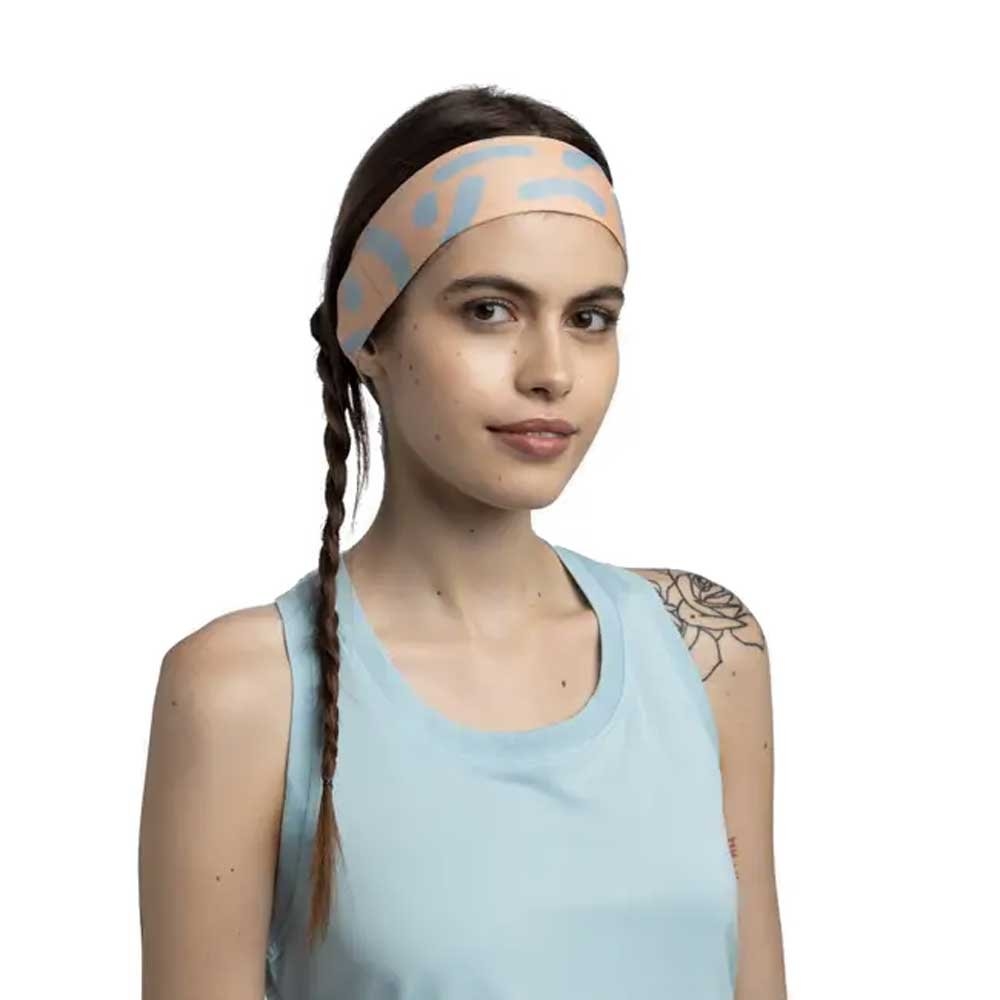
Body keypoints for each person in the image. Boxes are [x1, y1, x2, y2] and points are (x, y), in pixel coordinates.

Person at [138, 83, 786, 1000]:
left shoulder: (707, 647)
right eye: (489, 310)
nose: (552, 372)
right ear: (369, 332)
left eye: (590, 318)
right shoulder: (245, 693)